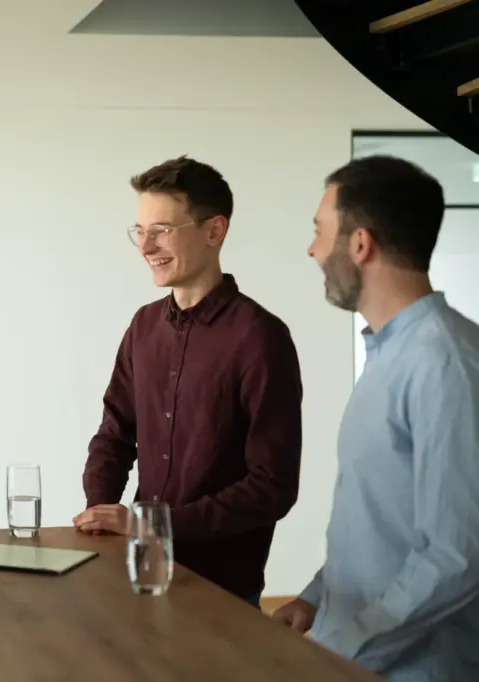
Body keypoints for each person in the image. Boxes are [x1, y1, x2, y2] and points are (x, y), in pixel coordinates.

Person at [274, 155, 479, 680]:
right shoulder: (390, 355)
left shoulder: (445, 363)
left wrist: (343, 647)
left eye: (320, 231)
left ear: (360, 244)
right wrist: (317, 598)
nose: (313, 250)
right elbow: (381, 520)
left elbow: (455, 556)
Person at [73, 156, 303, 606]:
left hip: (221, 591)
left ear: (214, 231)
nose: (146, 246)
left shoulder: (261, 338)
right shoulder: (142, 327)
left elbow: (272, 486)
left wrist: (152, 525)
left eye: (161, 230)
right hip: (137, 572)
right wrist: (101, 514)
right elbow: (114, 435)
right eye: (140, 231)